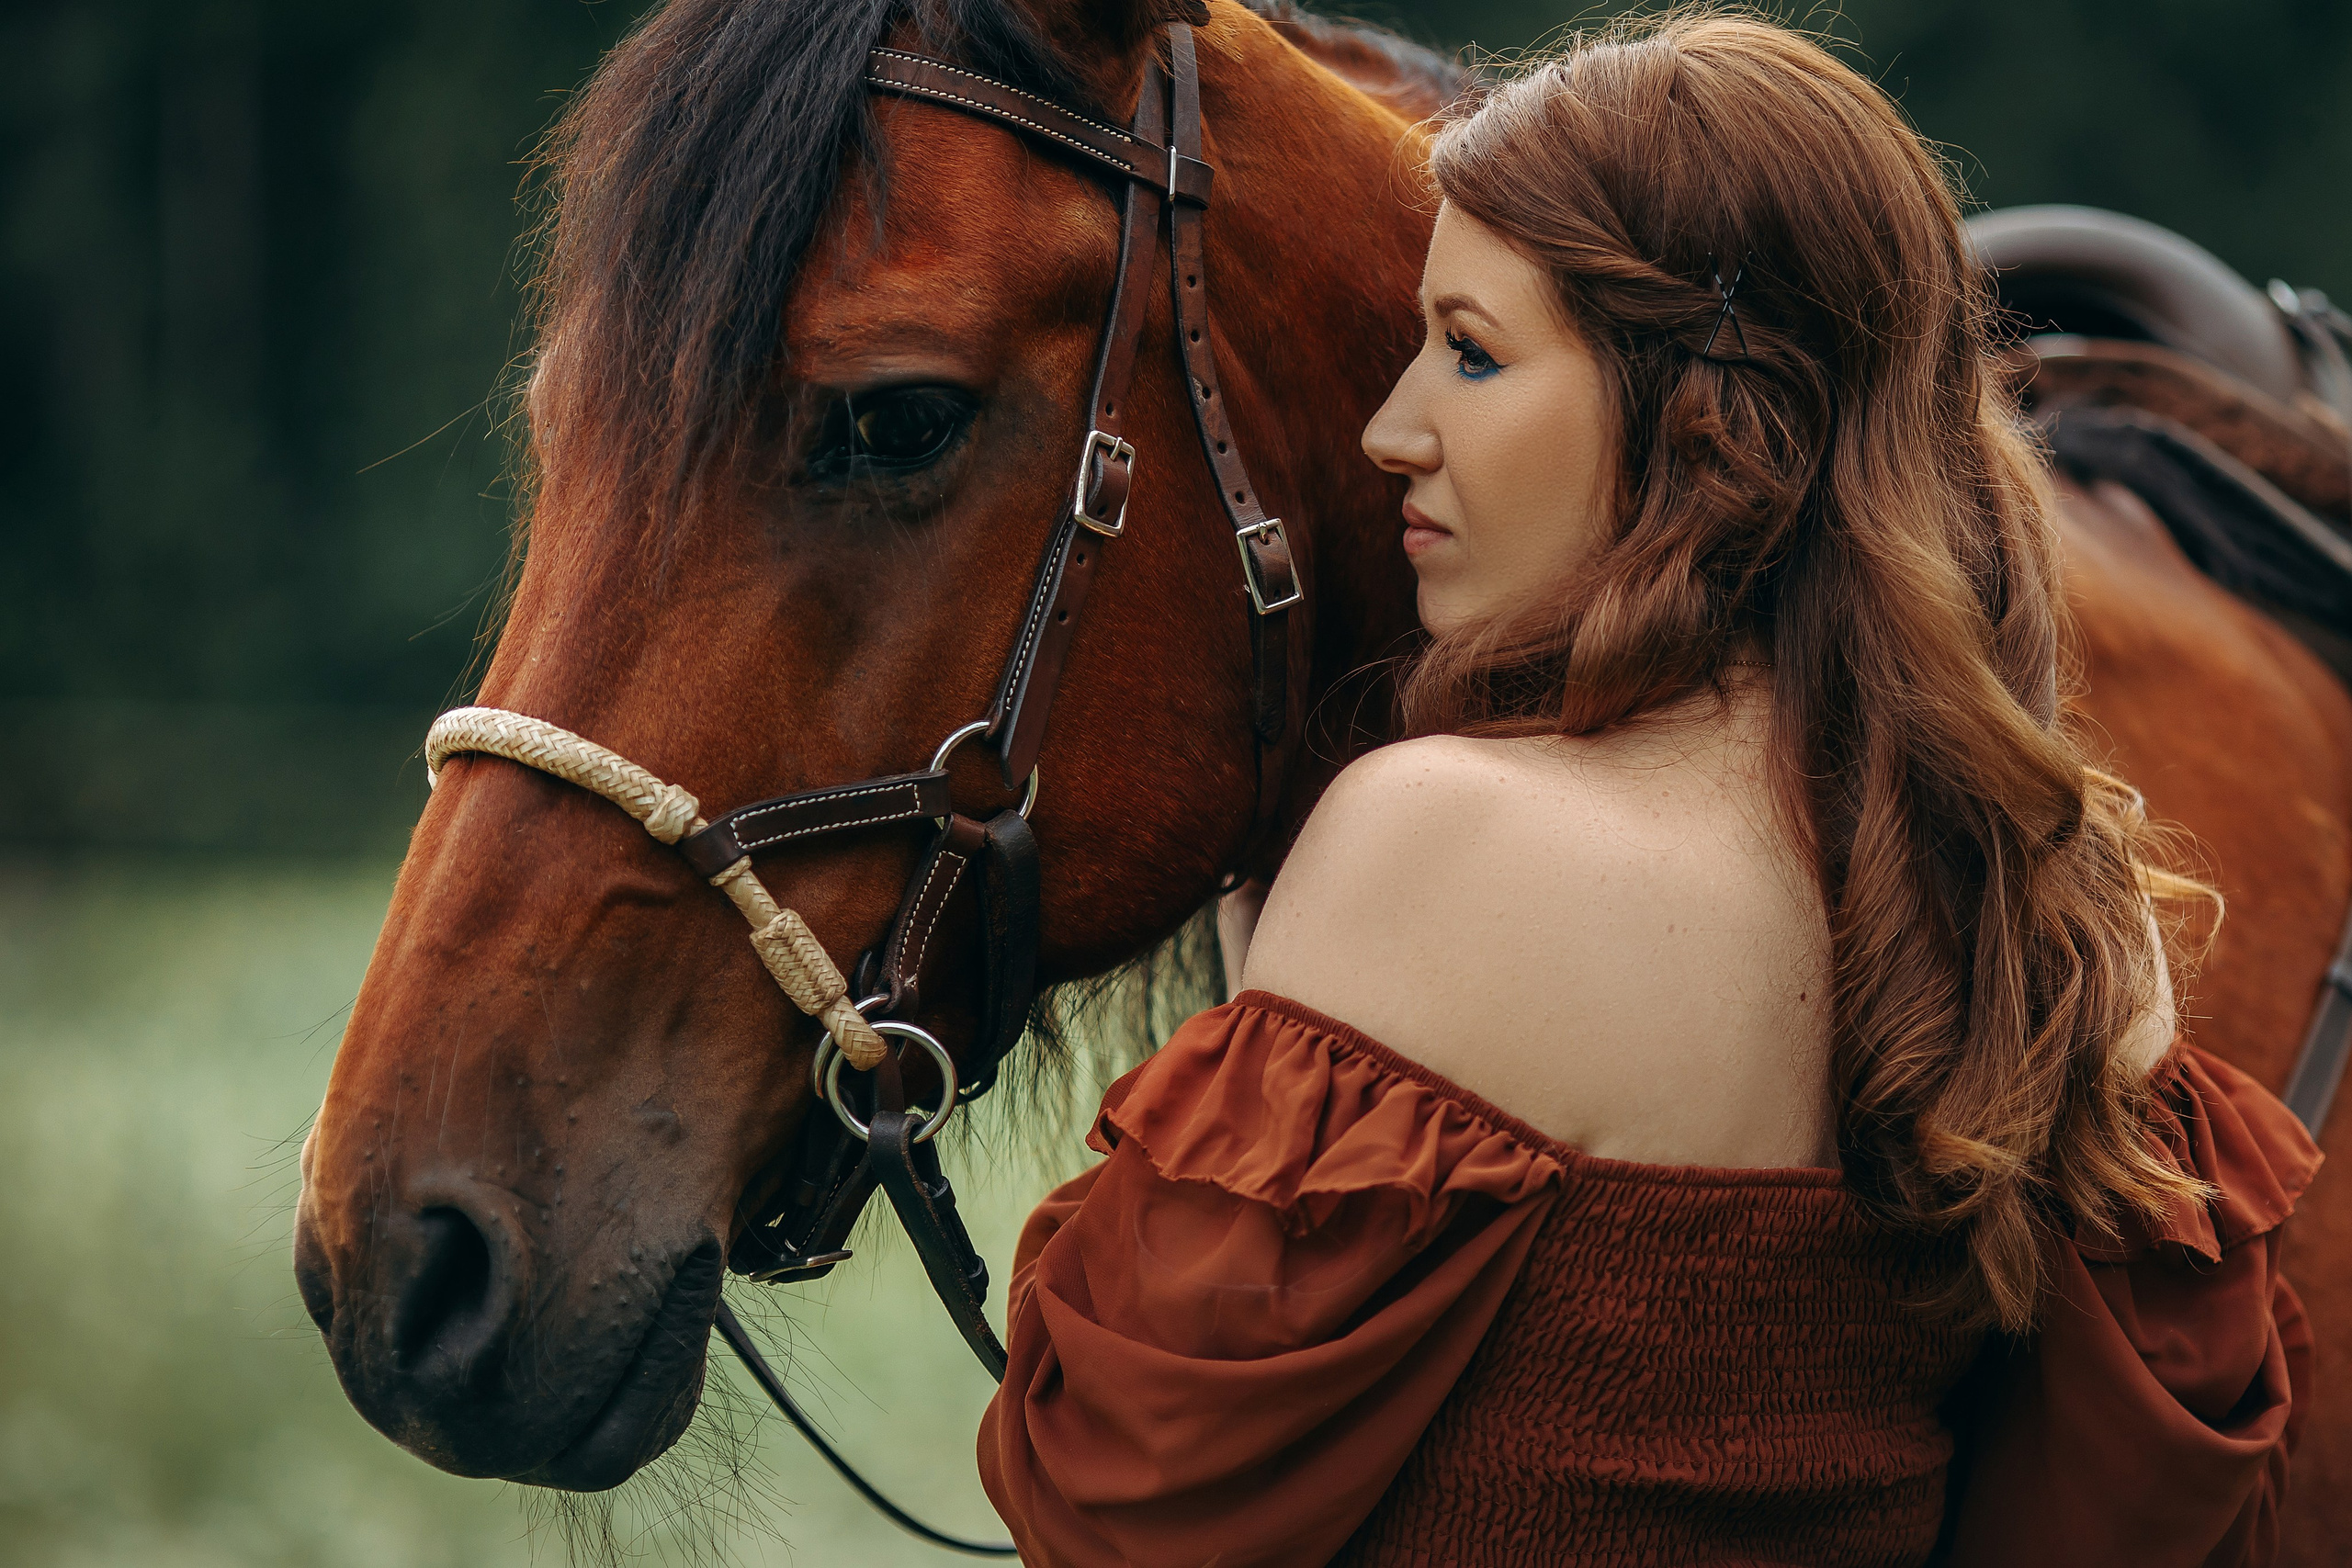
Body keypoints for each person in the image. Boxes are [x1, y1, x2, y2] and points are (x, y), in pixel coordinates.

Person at [977, 11, 2319, 1564]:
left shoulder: (1435, 836)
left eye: (1472, 352)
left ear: (1708, 419)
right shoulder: (2058, 899)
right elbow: (2131, 1498)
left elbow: (1118, 1497)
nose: (1390, 429)